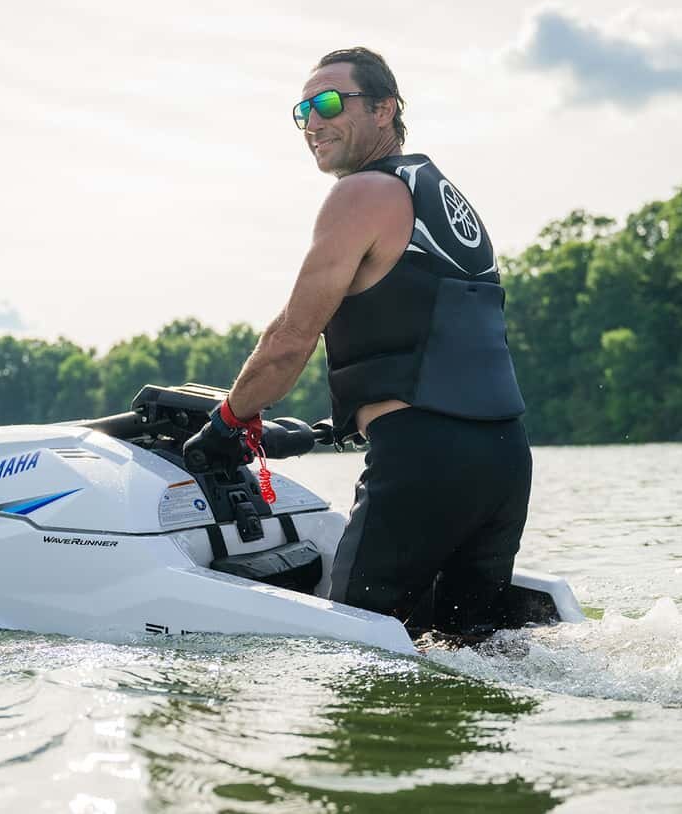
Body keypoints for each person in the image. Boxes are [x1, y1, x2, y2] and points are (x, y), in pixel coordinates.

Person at [183, 47, 530, 636]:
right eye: (303, 111)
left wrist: (229, 422)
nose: (312, 122)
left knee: (351, 648)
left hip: (423, 459)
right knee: (470, 651)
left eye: (328, 103)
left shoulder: (362, 193)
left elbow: (292, 336)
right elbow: (428, 337)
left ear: (383, 109)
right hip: (505, 459)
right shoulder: (442, 198)